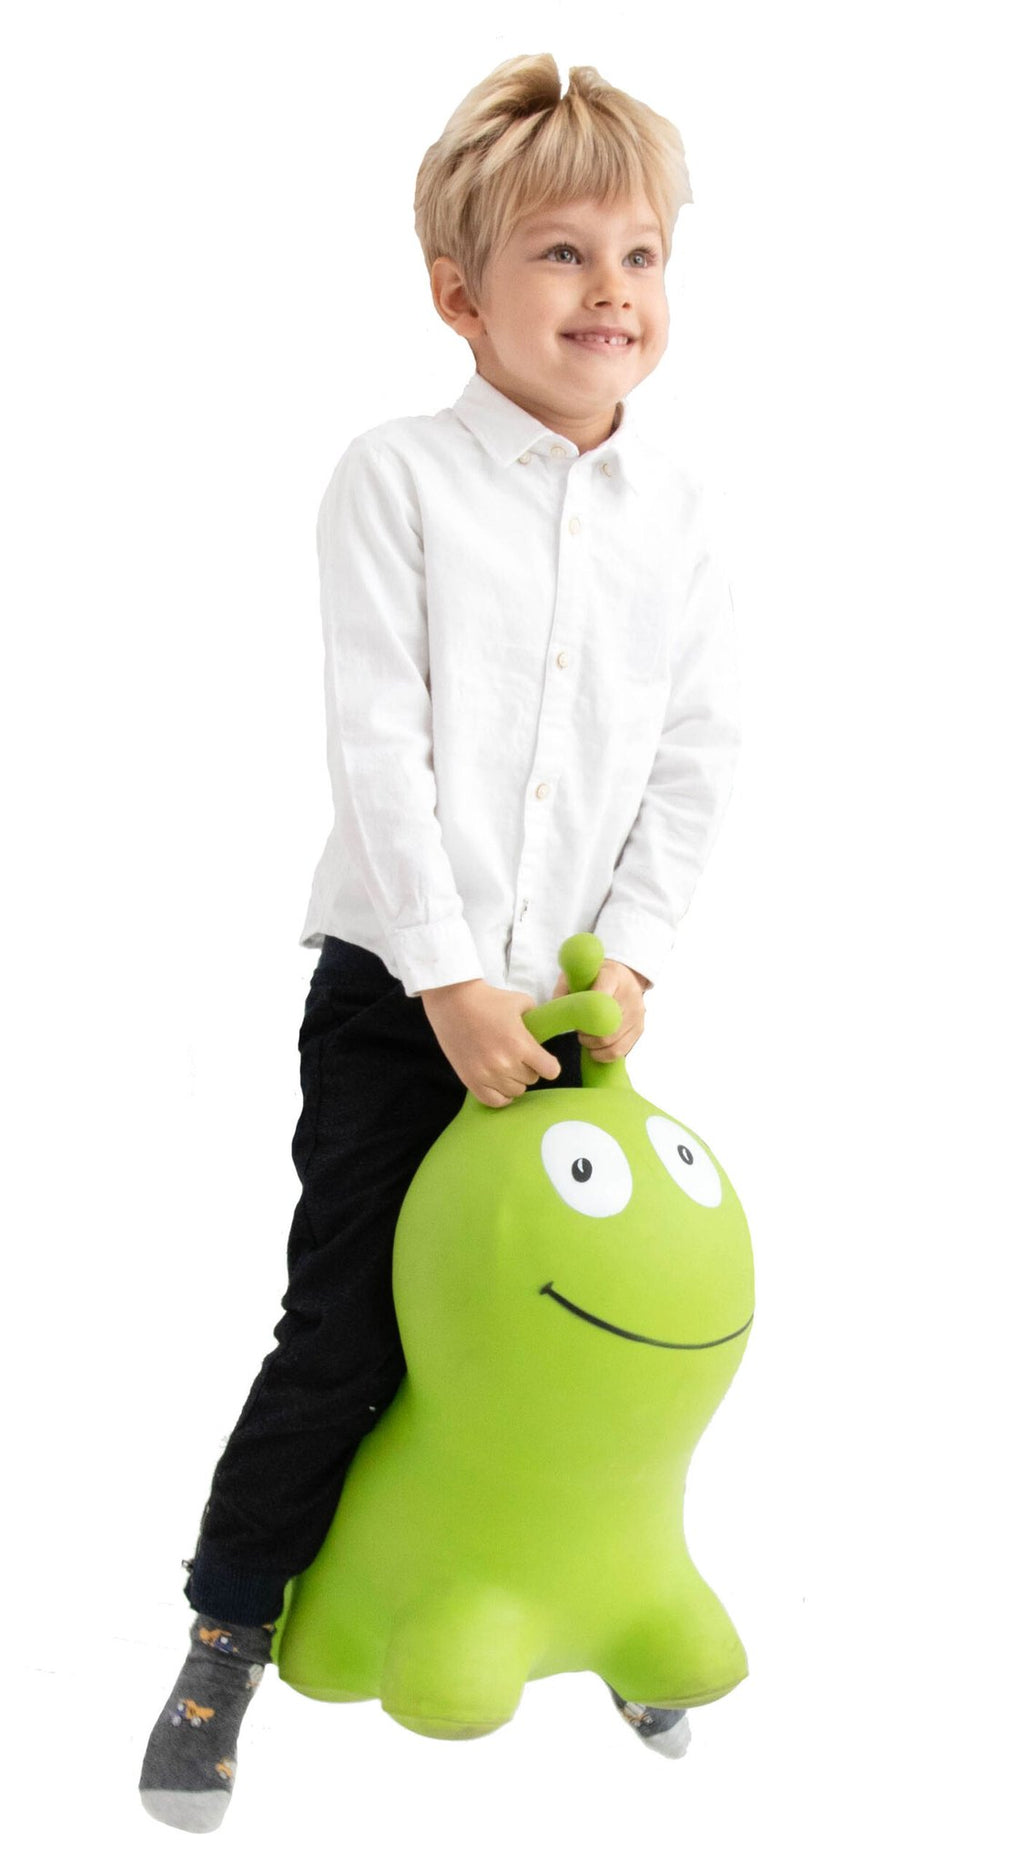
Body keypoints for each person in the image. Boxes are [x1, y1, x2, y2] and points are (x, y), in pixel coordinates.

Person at [139, 51, 741, 1831]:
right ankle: (228, 1632)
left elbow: (699, 752)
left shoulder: (681, 515)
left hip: (576, 1011)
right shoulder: (394, 480)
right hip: (401, 996)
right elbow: (379, 744)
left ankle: (602, 1597)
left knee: (587, 1337)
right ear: (458, 293)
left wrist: (630, 960)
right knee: (350, 1330)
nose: (610, 292)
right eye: (562, 254)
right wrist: (446, 977)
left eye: (640, 256)